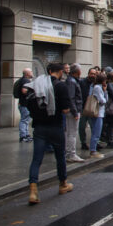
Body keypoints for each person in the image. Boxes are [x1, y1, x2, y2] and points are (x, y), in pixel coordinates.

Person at [27, 63, 74, 204]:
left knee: (36, 159)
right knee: (60, 157)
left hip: (39, 127)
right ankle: (63, 184)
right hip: (56, 126)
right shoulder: (60, 86)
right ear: (60, 72)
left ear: (48, 71)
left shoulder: (37, 84)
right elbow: (66, 109)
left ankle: (33, 191)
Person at [65, 64, 84, 163]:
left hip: (73, 110)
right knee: (72, 133)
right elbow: (71, 98)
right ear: (77, 72)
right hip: (74, 111)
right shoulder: (72, 82)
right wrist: (75, 112)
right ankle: (71, 154)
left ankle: (69, 153)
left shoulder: (71, 81)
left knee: (70, 133)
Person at [89, 72, 107, 159]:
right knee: (96, 132)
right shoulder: (98, 88)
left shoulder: (97, 87)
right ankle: (93, 150)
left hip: (99, 113)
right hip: (97, 113)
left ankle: (94, 149)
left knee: (96, 132)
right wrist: (105, 92)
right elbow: (103, 101)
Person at [79, 67, 97, 151]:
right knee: (82, 126)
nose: (92, 75)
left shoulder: (96, 83)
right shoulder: (82, 82)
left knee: (94, 126)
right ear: (88, 74)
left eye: (94, 74)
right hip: (83, 108)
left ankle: (95, 143)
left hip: (93, 108)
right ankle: (83, 142)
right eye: (91, 74)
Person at [14, 68, 33, 142]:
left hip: (23, 103)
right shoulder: (26, 80)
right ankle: (23, 136)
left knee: (26, 120)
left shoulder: (22, 80)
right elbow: (24, 90)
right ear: (27, 73)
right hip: (25, 104)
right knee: (24, 120)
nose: (32, 73)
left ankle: (26, 135)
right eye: (31, 71)